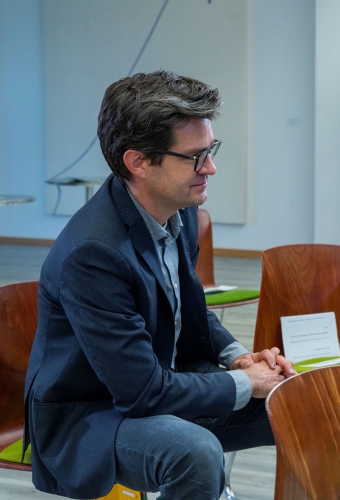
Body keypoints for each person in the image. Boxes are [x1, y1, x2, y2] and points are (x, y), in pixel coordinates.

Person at [24, 70, 295, 500]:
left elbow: (187, 306)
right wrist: (248, 383)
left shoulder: (179, 208)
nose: (211, 168)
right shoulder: (92, 253)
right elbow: (142, 393)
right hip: (92, 417)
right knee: (194, 452)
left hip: (159, 384)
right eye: (195, 157)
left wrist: (240, 358)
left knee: (301, 401)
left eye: (210, 150)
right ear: (138, 162)